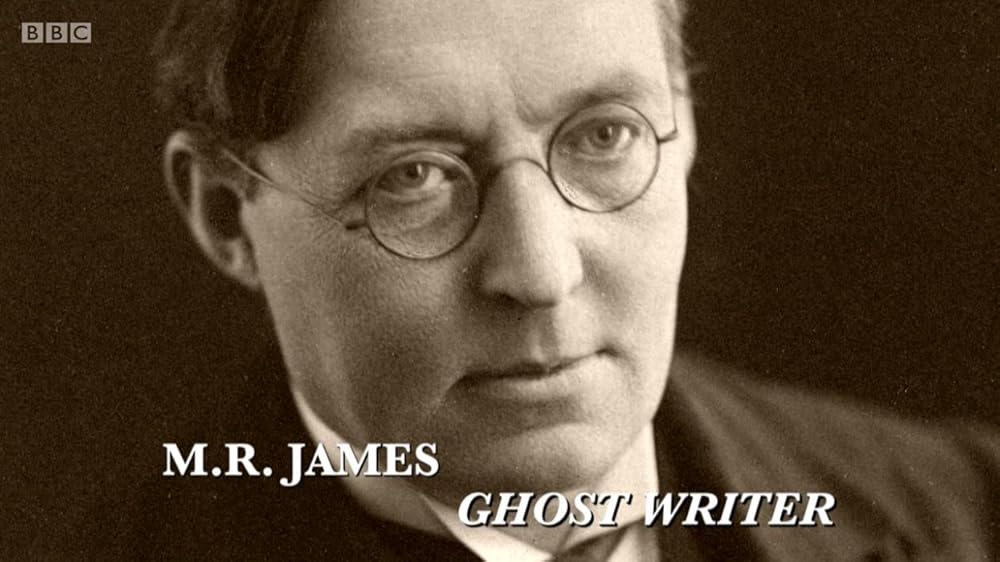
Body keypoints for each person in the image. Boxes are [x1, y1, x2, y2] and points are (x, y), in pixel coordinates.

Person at [115, 0, 999, 559]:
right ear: (226, 215)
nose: (541, 273)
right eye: (413, 177)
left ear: (684, 125)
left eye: (604, 136)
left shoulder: (971, 510)